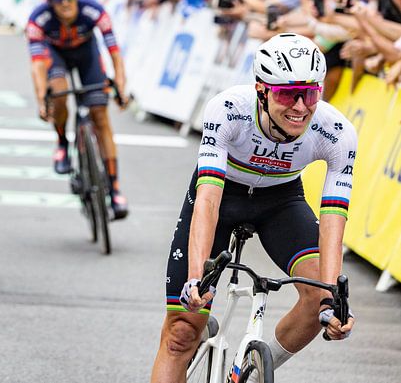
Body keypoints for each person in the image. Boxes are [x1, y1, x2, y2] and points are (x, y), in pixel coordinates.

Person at [150, 33, 357, 383]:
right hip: (223, 195)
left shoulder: (336, 131)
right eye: (288, 93)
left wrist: (331, 298)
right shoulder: (229, 110)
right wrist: (196, 280)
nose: (301, 107)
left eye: (310, 94)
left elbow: (334, 217)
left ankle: (251, 374)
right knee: (182, 331)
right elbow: (208, 200)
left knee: (318, 297)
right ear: (262, 90)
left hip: (281, 200)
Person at [25, 0, 129, 219]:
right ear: (48, 0)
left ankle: (114, 189)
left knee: (100, 116)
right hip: (56, 56)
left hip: (87, 55)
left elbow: (115, 53)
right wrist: (42, 100)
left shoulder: (93, 10)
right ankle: (62, 141)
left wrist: (122, 88)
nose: (65, 2)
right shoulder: (38, 20)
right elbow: (38, 66)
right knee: (58, 93)